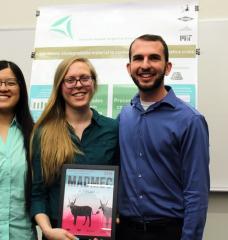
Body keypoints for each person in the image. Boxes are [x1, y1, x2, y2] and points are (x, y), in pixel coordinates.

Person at [117, 34, 210, 240]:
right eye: (138, 58)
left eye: (154, 58)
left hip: (169, 232)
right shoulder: (124, 117)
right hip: (125, 231)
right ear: (129, 67)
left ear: (167, 67)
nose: (145, 65)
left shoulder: (190, 120)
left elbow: (197, 193)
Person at [30, 57, 118, 240]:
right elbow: (38, 194)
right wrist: (47, 231)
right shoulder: (43, 133)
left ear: (93, 83)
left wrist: (114, 216)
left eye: (84, 78)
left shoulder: (113, 129)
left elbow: (123, 183)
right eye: (70, 80)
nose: (78, 85)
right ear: (60, 86)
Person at [0, 60, 36, 239]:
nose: (4, 88)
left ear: (21, 89)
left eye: (11, 83)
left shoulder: (35, 134)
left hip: (22, 234)